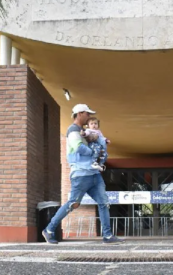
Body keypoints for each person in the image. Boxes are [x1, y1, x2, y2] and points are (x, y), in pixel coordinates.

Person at [42, 104, 124, 244]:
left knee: (104, 203)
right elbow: (78, 147)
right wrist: (94, 152)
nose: (89, 117)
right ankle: (49, 230)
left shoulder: (83, 130)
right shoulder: (73, 130)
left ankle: (108, 236)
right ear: (79, 114)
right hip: (81, 174)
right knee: (73, 203)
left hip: (94, 174)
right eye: (87, 114)